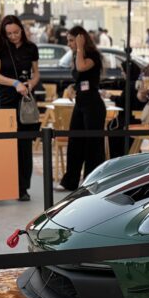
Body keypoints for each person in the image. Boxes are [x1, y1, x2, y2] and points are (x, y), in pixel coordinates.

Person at [0, 15, 40, 201]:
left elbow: (36, 73)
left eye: (16, 32)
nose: (13, 36)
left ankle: (22, 188)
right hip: (5, 100)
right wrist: (16, 82)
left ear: (22, 30)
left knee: (24, 146)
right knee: (6, 145)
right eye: (9, 33)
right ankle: (3, 186)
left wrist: (31, 84)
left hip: (25, 100)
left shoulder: (31, 48)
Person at [59, 26, 106, 192]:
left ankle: (91, 183)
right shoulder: (77, 55)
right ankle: (70, 181)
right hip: (81, 103)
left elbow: (81, 68)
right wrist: (74, 86)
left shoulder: (92, 55)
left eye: (72, 40)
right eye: (69, 41)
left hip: (93, 104)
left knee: (92, 145)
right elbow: (80, 77)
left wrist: (79, 47)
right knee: (75, 142)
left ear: (81, 39)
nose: (69, 44)